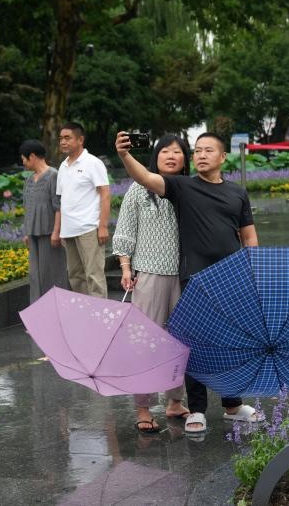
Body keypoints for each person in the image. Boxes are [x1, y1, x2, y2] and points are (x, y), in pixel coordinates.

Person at [116, 130, 263, 435]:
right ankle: (169, 407)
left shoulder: (234, 192)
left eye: (206, 150)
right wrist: (124, 155)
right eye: (197, 150)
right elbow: (144, 181)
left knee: (213, 343)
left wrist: (253, 270)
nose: (200, 155)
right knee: (162, 342)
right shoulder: (179, 186)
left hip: (221, 278)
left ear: (223, 157)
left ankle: (206, 403)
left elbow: (248, 235)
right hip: (171, 277)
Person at [113, 134, 192, 433]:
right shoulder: (139, 190)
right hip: (149, 275)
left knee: (179, 342)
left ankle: (174, 401)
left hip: (183, 276)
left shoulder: (189, 189)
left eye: (178, 151)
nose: (171, 155)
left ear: (186, 158)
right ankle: (143, 407)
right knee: (144, 342)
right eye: (165, 151)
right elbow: (125, 231)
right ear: (155, 157)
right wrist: (125, 266)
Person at [56, 122, 111, 298]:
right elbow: (62, 200)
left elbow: (105, 194)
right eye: (61, 138)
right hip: (69, 231)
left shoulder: (93, 163)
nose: (63, 142)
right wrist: (59, 231)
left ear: (80, 140)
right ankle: (85, 316)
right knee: (75, 277)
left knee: (94, 276)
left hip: (89, 228)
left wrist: (102, 226)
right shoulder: (63, 166)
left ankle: (101, 320)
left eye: (67, 138)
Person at [19, 139, 68, 304]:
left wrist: (56, 232)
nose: (23, 163)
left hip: (49, 234)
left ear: (32, 156)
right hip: (33, 234)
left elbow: (58, 206)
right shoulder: (28, 180)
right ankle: (38, 316)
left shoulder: (53, 175)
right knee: (35, 275)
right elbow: (27, 206)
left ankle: (56, 311)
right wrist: (26, 231)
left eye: (24, 159)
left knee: (52, 274)